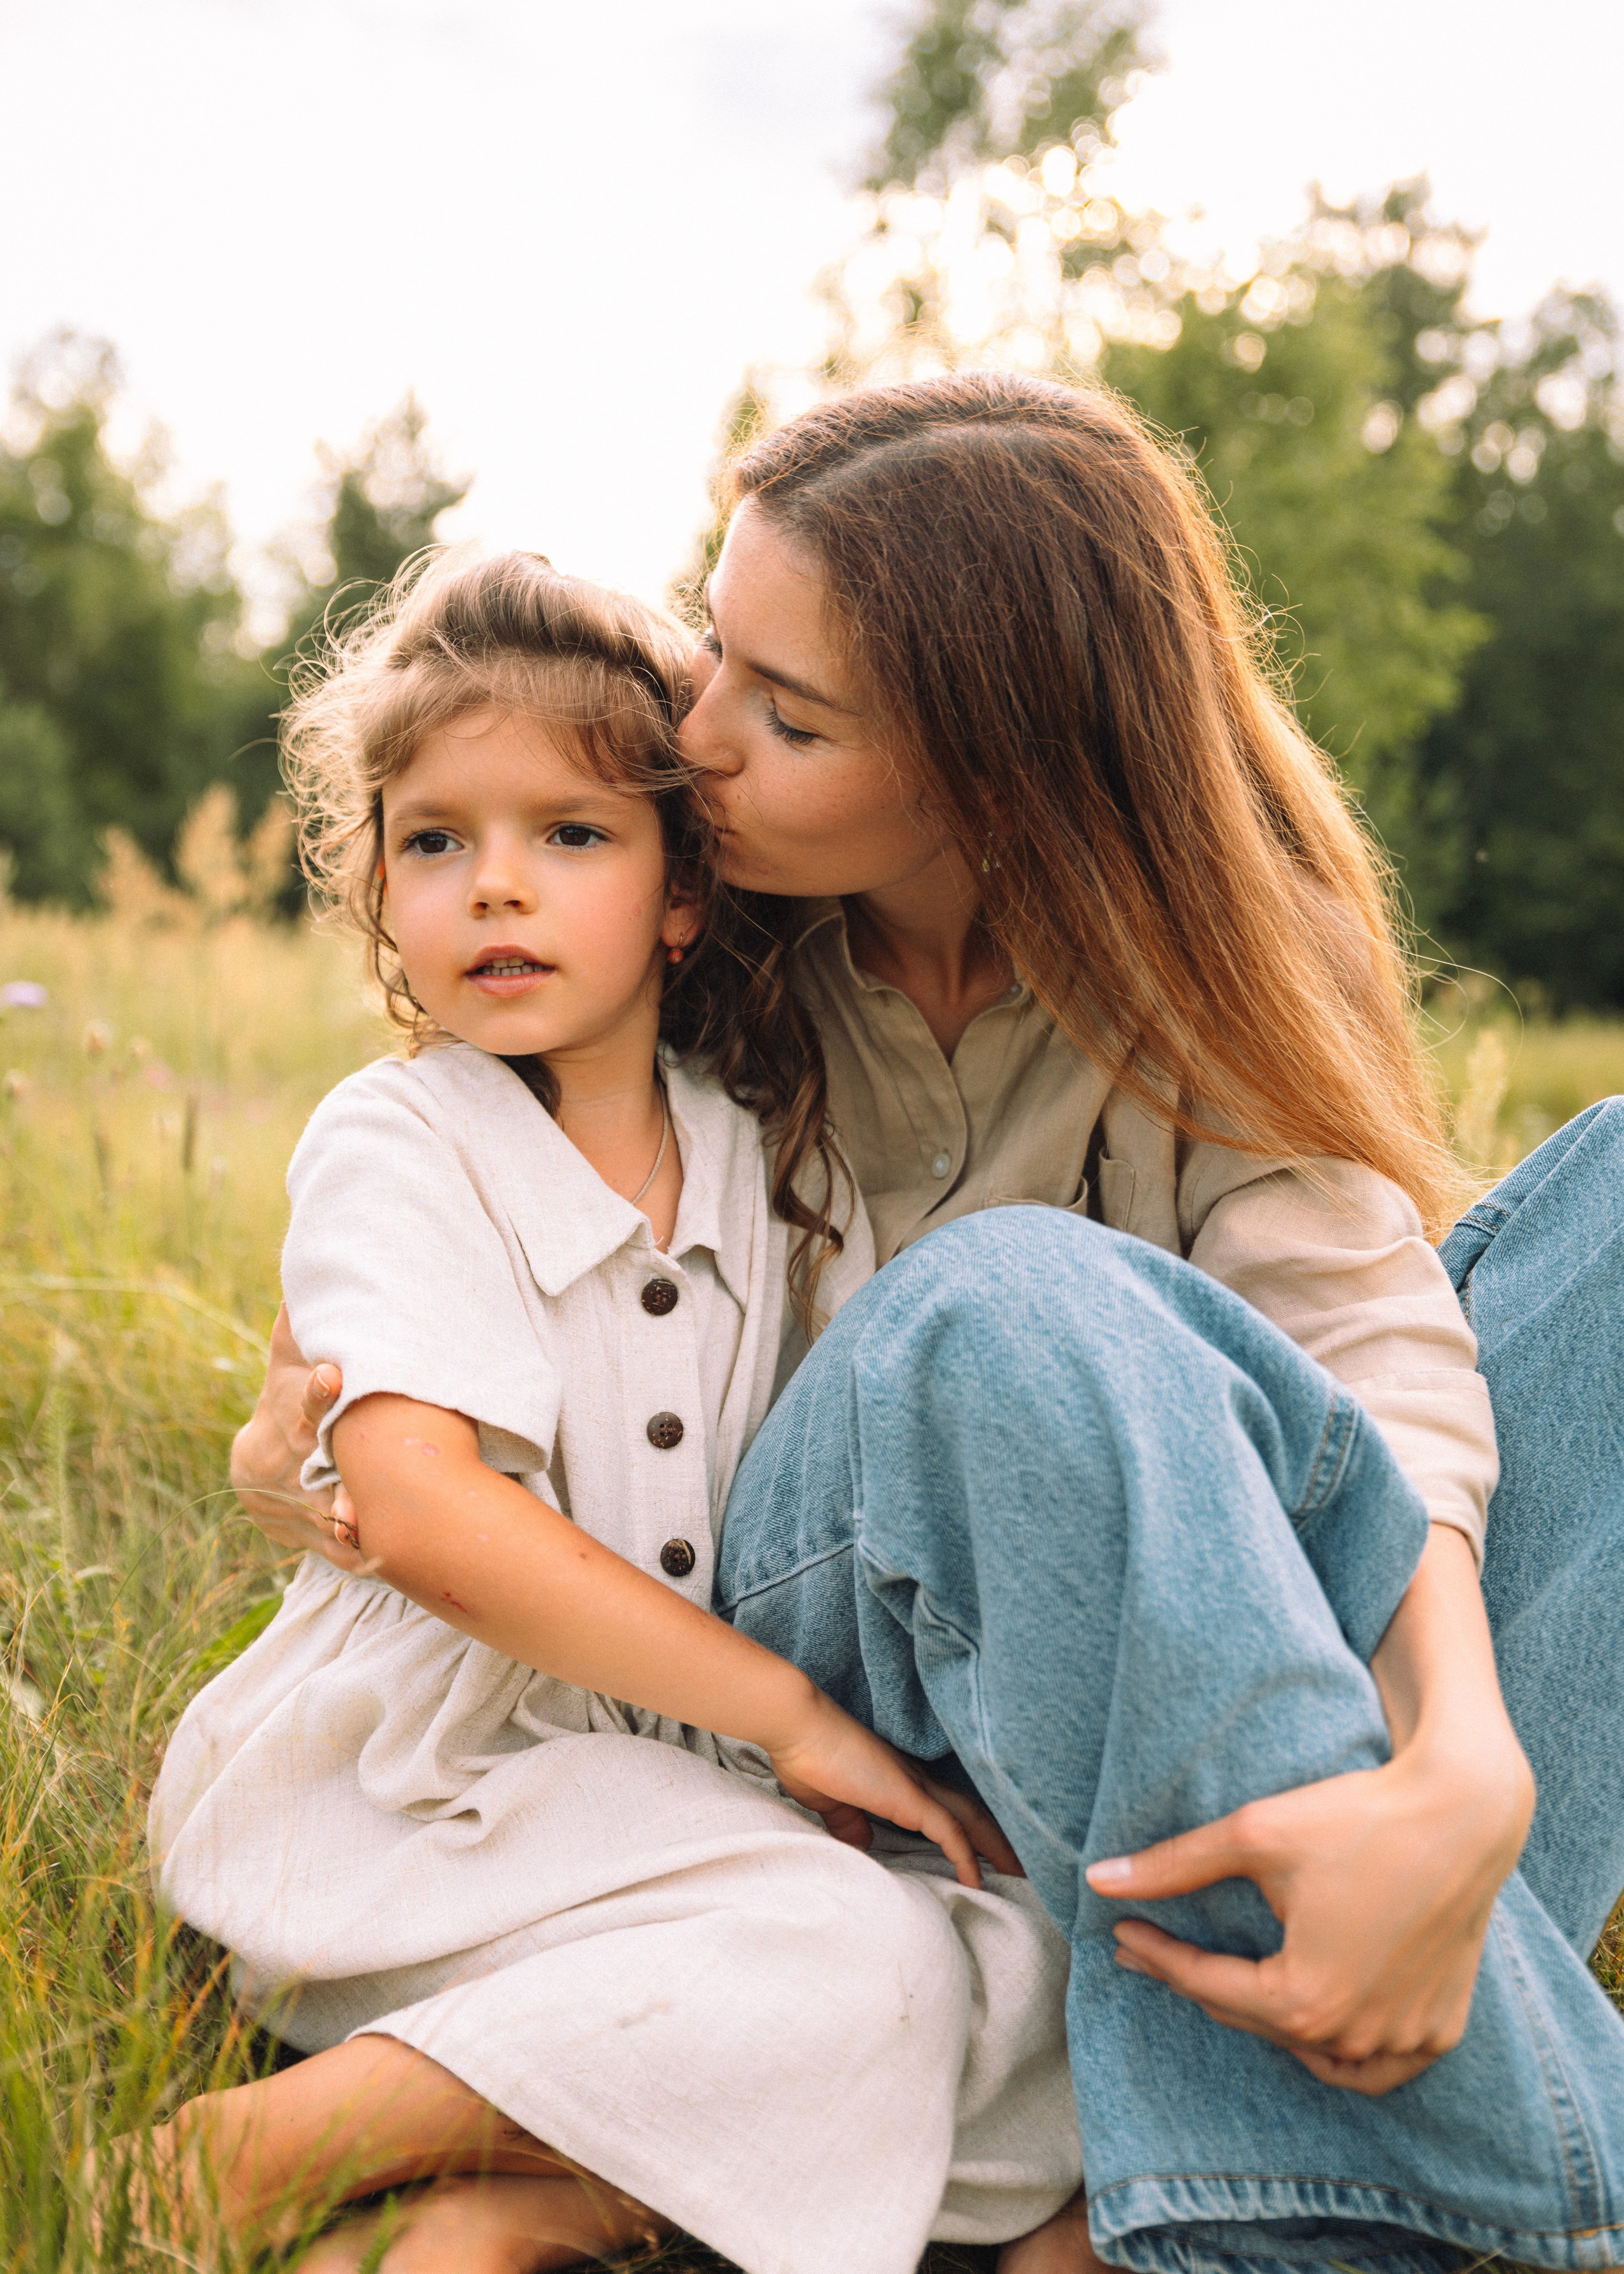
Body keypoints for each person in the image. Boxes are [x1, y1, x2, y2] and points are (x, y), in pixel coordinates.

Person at [232, 375, 1624, 2274]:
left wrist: (1466, 1758)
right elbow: (467, 1172)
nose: (693, 740)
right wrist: (331, 1439)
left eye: (783, 715)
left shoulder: (1204, 939)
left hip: (1169, 1600)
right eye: (721, 652)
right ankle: (1317, 2202)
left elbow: (1363, 1334)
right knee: (1009, 1304)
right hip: (839, 1604)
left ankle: (1350, 1963)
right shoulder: (709, 909)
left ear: (996, 772)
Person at [141, 553, 1090, 2274]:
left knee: (1037, 1986)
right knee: (845, 1954)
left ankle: (516, 2215)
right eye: (436, 839)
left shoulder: (771, 1154)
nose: (495, 886)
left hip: (673, 1811)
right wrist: (790, 1716)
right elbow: (425, 1514)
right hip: (416, 1800)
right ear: (381, 888)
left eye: (570, 835)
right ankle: (270, 2144)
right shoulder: (400, 1140)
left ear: (676, 892)